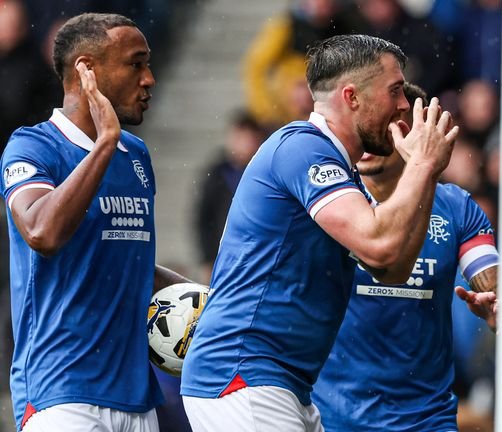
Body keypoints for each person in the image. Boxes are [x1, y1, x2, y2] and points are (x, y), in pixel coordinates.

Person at [180, 34, 459, 432]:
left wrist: (423, 172)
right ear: (352, 97)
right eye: (395, 90)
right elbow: (379, 247)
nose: (403, 105)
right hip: (244, 376)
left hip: (284, 383)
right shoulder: (302, 148)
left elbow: (393, 267)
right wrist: (423, 166)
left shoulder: (342, 174)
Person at [0, 13, 191, 432]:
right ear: (87, 70)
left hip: (137, 398)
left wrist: (208, 300)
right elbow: (42, 233)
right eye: (136, 63)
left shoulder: (135, 155)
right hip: (62, 394)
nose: (150, 79)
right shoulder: (33, 146)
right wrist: (104, 143)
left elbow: (131, 261)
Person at [312, 82, 498, 431]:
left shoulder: (457, 208)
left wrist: (501, 301)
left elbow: (491, 281)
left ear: (416, 133)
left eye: (385, 126)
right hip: (333, 419)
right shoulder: (329, 202)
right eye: (364, 124)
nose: (368, 136)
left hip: (427, 418)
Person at [194, 110, 269, 282]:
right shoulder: (217, 173)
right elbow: (203, 218)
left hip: (258, 258)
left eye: (248, 138)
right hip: (223, 257)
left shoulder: (265, 172)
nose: (243, 144)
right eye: (239, 138)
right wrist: (207, 259)